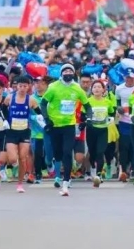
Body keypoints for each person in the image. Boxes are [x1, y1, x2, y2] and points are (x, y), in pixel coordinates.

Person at [42, 64, 91, 196]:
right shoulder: (53, 87)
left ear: (73, 74)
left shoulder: (77, 88)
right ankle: (53, 165)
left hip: (69, 125)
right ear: (61, 73)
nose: (68, 73)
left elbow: (87, 106)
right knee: (57, 154)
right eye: (65, 71)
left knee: (67, 152)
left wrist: (87, 119)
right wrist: (47, 119)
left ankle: (65, 182)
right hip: (54, 125)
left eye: (70, 71)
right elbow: (43, 103)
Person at [4, 74, 44, 193]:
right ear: (17, 86)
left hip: (25, 131)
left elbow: (39, 112)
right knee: (12, 159)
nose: (22, 88)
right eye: (20, 86)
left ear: (28, 87)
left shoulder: (31, 100)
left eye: (25, 86)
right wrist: (5, 120)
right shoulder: (10, 98)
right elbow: (3, 109)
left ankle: (20, 183)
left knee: (23, 158)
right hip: (11, 131)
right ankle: (13, 163)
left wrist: (40, 118)